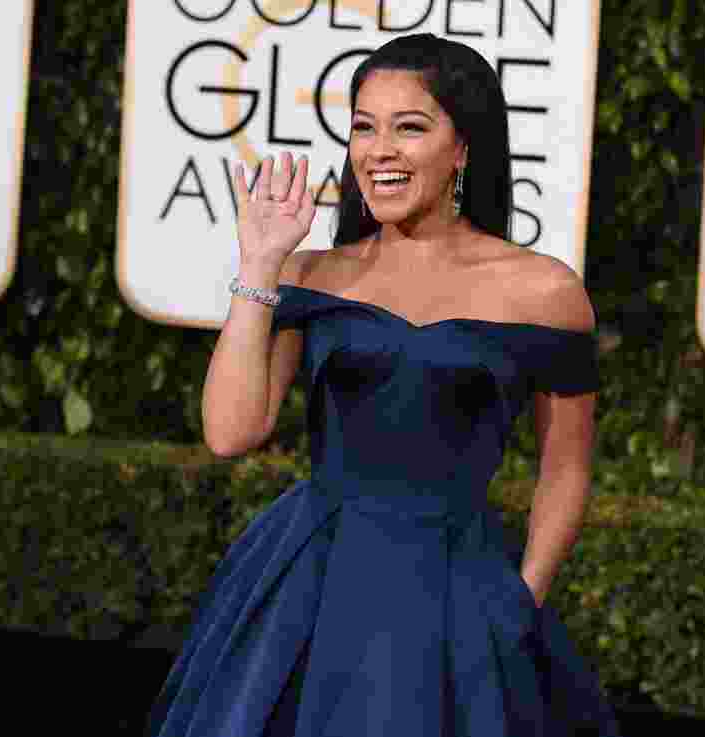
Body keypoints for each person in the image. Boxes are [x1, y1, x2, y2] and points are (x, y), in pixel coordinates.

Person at [145, 32, 623, 737]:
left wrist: (523, 595)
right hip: (310, 584)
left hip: (455, 593)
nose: (379, 150)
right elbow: (230, 431)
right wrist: (260, 265)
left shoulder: (544, 292)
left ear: (463, 148)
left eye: (410, 127)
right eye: (364, 127)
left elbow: (567, 464)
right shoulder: (312, 274)